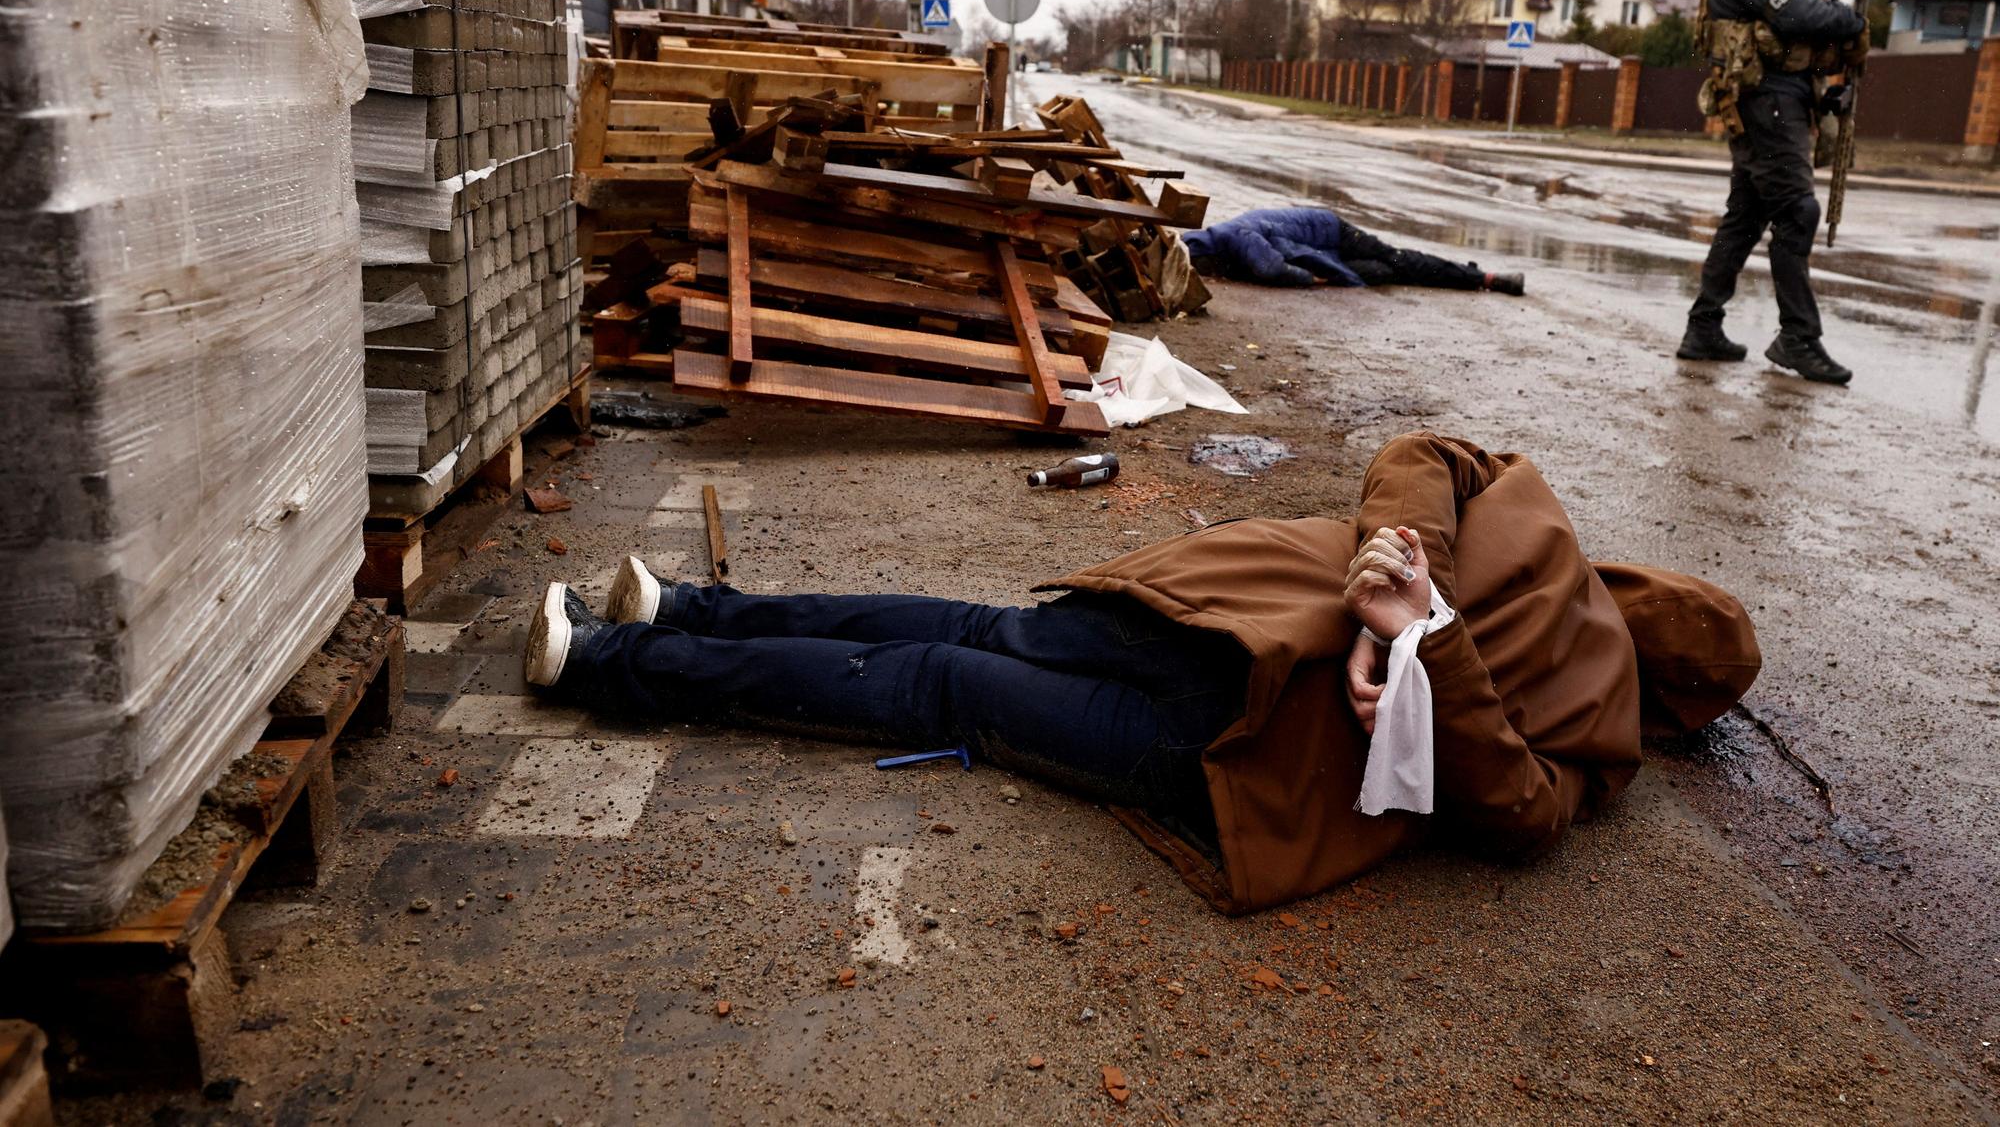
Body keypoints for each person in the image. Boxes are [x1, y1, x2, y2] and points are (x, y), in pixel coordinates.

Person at [524, 433, 1760, 914]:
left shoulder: (1538, 525)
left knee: (966, 633)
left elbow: (1420, 454)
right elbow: (1522, 816)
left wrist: (1415, 602)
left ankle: (677, 608)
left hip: (1217, 637)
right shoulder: (1596, 690)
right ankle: (613, 653)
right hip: (1230, 731)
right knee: (946, 679)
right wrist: (1413, 617)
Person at [1678, 0, 1869, 384]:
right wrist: (1851, 21)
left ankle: (1703, 328)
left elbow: (1801, 27)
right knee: (1798, 212)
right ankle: (1798, 338)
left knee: (1746, 216)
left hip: (1782, 96)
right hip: (1765, 100)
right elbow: (1792, 12)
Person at [1183, 206, 1525, 295]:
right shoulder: (1225, 240)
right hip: (1326, 252)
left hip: (1334, 233)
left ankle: (1485, 277)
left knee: (1399, 260)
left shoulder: (1233, 234)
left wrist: (1310, 279)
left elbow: (1270, 267)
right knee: (1390, 272)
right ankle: (1459, 275)